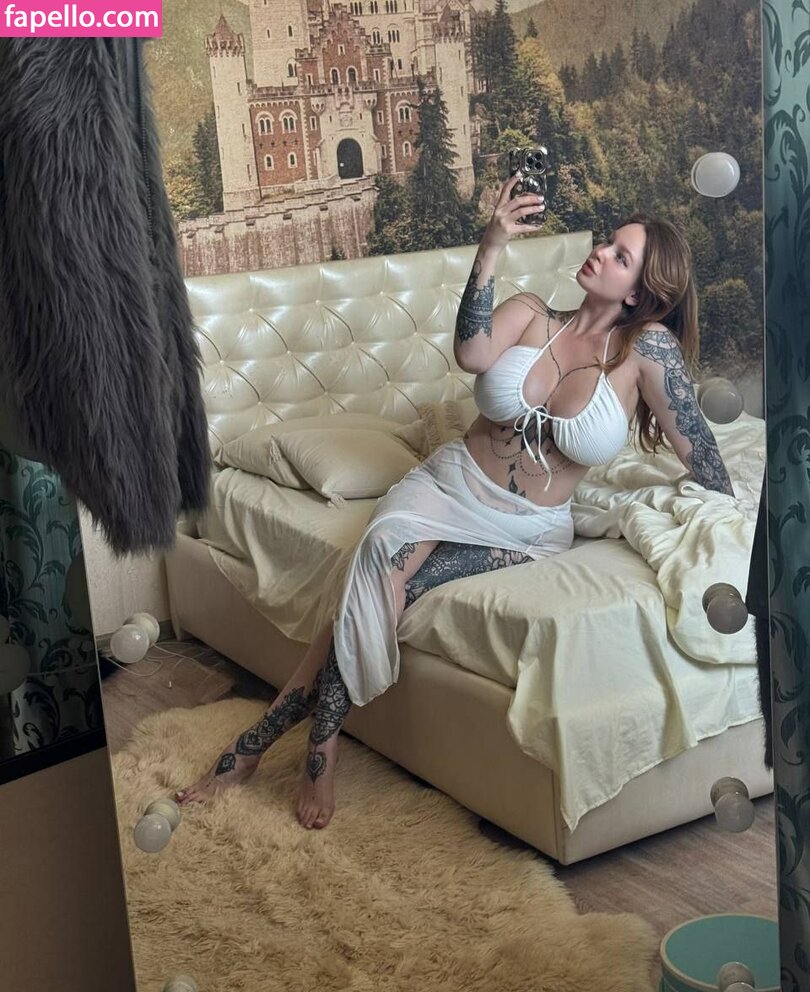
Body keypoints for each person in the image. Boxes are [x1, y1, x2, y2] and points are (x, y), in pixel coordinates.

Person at [175, 176, 734, 828]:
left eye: (619, 255)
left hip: (530, 529)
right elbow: (472, 353)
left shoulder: (645, 352)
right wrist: (491, 246)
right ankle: (316, 751)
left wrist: (731, 502)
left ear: (638, 292)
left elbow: (698, 450)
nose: (600, 251)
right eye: (607, 242)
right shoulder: (531, 313)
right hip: (447, 488)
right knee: (380, 559)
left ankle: (253, 748)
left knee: (396, 589)